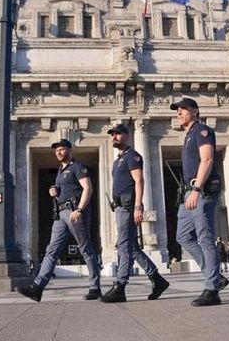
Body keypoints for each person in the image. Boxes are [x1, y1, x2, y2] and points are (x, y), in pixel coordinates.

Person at [17, 139, 101, 302]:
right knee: (51, 251)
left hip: (74, 212)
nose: (59, 153)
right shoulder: (60, 171)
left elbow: (88, 188)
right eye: (57, 151)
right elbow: (63, 190)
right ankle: (37, 287)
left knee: (86, 249)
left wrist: (79, 209)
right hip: (60, 214)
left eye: (62, 149)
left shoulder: (77, 167)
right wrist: (53, 192)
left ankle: (95, 287)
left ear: (70, 150)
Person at [100, 124, 170, 303]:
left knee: (123, 246)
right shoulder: (117, 161)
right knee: (132, 247)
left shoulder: (133, 156)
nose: (114, 137)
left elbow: (139, 181)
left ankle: (120, 286)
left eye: (117, 134)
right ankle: (157, 279)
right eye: (112, 134)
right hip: (119, 207)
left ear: (126, 135)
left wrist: (138, 206)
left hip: (128, 206)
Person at [170, 98, 229, 306]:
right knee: (183, 236)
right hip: (188, 194)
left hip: (201, 192)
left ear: (195, 111)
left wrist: (196, 189)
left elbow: (207, 160)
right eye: (177, 110)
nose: (178, 113)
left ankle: (212, 289)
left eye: (183, 109)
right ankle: (216, 276)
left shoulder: (202, 131)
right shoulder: (188, 135)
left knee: (205, 238)